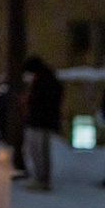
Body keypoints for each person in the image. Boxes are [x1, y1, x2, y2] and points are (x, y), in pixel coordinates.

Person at [23, 56, 63, 192]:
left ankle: (42, 180)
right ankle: (41, 179)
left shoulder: (45, 80)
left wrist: (30, 100)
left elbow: (43, 100)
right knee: (39, 152)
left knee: (39, 152)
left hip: (41, 121)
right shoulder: (49, 79)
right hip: (42, 121)